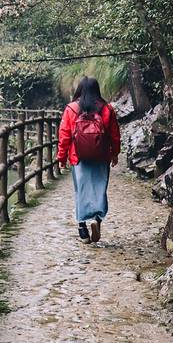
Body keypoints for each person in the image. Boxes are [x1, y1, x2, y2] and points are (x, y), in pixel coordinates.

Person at [57, 76, 121, 243]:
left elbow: (64, 135)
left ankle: (82, 229)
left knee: (81, 190)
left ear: (79, 90)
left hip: (78, 157)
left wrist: (61, 157)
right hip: (101, 156)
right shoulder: (106, 109)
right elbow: (115, 135)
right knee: (100, 189)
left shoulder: (71, 109)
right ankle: (97, 219)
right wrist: (115, 153)